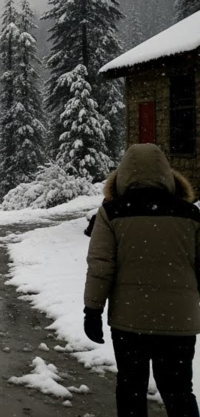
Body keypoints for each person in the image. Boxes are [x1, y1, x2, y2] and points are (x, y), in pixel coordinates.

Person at [84, 143, 200, 417]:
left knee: (130, 389)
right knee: (180, 391)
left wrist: (92, 311)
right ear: (167, 174)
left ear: (122, 175)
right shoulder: (191, 215)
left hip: (129, 323)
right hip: (179, 323)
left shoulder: (112, 212)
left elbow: (101, 267)